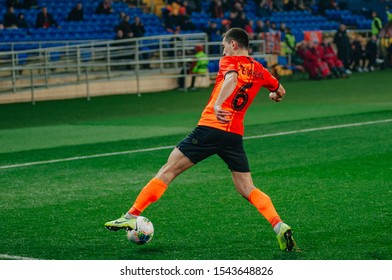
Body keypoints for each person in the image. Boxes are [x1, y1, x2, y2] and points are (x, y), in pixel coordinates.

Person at [104, 28, 296, 252]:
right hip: (234, 135)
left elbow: (232, 79)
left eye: (224, 45)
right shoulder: (259, 69)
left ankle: (130, 215)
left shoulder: (229, 61)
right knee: (247, 187)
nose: (223, 49)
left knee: (168, 170)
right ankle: (279, 225)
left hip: (210, 128)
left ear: (234, 44)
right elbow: (280, 90)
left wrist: (217, 105)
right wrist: (274, 94)